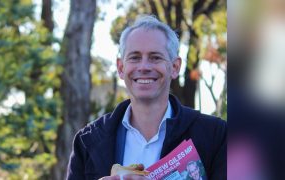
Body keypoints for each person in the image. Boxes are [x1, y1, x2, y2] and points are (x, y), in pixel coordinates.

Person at [66, 15, 226, 180]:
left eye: (155, 57)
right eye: (135, 57)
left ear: (175, 67)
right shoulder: (87, 141)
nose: (144, 67)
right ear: (121, 68)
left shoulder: (216, 135)